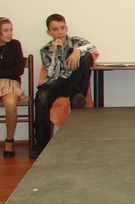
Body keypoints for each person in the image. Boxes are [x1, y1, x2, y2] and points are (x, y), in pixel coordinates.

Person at [33, 13, 97, 158]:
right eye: (55, 29)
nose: (60, 32)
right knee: (41, 96)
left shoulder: (76, 41)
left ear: (66, 28)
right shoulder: (45, 50)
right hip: (56, 83)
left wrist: (78, 51)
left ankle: (76, 94)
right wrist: (56, 53)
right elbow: (52, 74)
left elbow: (93, 47)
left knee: (87, 56)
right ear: (49, 32)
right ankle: (41, 144)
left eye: (62, 28)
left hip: (74, 81)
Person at [0, 18, 28, 157]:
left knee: (10, 104)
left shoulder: (15, 45)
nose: (10, 33)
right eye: (5, 30)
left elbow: (19, 70)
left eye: (11, 30)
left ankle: (9, 141)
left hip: (11, 83)